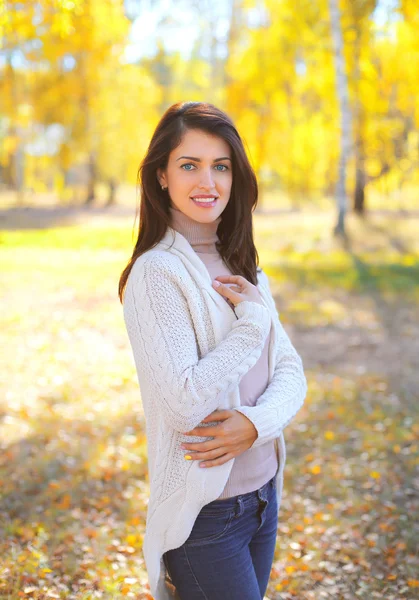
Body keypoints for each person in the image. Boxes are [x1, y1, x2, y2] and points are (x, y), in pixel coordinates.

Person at [119, 101, 307, 600]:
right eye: (189, 165)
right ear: (161, 176)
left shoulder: (242, 261)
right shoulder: (157, 275)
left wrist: (255, 424)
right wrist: (252, 326)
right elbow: (186, 402)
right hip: (207, 515)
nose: (208, 181)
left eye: (220, 166)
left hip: (264, 494)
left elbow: (290, 370)